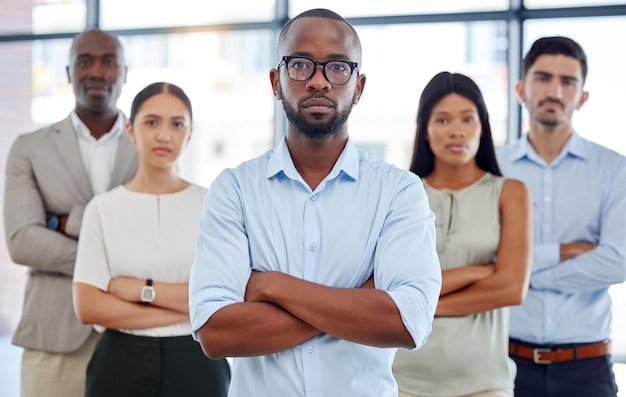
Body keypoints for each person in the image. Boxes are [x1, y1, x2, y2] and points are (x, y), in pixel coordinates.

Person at [188, 8, 442, 397]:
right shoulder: (234, 189)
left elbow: (407, 324)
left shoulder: (398, 191)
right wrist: (360, 299)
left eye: (338, 68)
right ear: (276, 81)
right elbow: (217, 333)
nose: (320, 82)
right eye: (301, 65)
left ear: (358, 86)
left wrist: (271, 286)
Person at [72, 82, 231, 397]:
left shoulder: (213, 205)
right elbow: (88, 306)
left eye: (177, 124)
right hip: (119, 360)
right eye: (152, 122)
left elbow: (226, 296)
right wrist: (188, 307)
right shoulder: (102, 209)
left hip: (197, 360)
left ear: (190, 133)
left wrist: (140, 290)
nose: (164, 135)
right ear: (131, 130)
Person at [3, 28, 138, 397]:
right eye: (84, 61)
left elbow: (158, 236)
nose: (97, 71)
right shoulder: (29, 148)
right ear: (68, 73)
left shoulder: (152, 147)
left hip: (135, 336)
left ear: (125, 72)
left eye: (109, 62)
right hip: (53, 340)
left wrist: (64, 223)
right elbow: (22, 242)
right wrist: (117, 258)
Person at [497, 36, 626, 397]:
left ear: (582, 97)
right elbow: (484, 256)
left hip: (587, 369)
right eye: (543, 78)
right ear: (521, 89)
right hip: (504, 364)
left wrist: (517, 275)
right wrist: (564, 251)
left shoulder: (616, 170)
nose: (554, 90)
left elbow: (617, 263)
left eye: (567, 81)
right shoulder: (494, 168)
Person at [391, 71, 532, 397]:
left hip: (484, 384)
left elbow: (511, 287)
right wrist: (478, 272)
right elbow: (383, 287)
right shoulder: (400, 195)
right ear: (425, 130)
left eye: (467, 119)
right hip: (402, 381)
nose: (456, 130)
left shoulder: (510, 193)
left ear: (482, 126)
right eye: (442, 120)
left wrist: (420, 305)